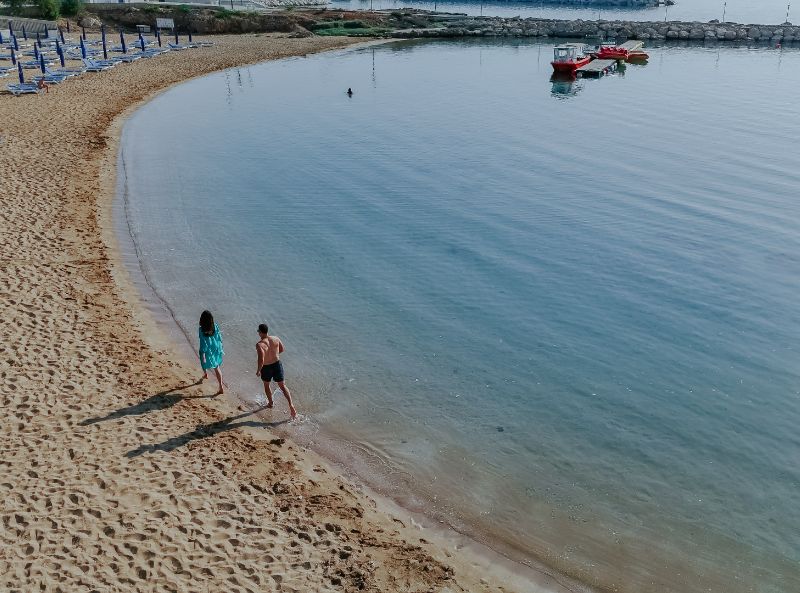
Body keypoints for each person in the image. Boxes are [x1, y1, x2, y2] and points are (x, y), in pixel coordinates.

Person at [256, 323, 297, 419]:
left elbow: (261, 359)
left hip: (266, 367)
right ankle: (291, 405)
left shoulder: (260, 345)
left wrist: (258, 370)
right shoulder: (276, 338)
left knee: (266, 385)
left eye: (258, 331)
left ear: (261, 332)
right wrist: (273, 354)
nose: (258, 333)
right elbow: (282, 349)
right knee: (282, 386)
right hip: (277, 364)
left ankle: (270, 403)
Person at [198, 310, 224, 395]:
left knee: (203, 361)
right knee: (216, 367)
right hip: (215, 346)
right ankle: (221, 386)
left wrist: (203, 352)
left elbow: (202, 341)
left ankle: (205, 374)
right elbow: (219, 337)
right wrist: (220, 347)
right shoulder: (215, 326)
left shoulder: (201, 329)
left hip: (207, 347)